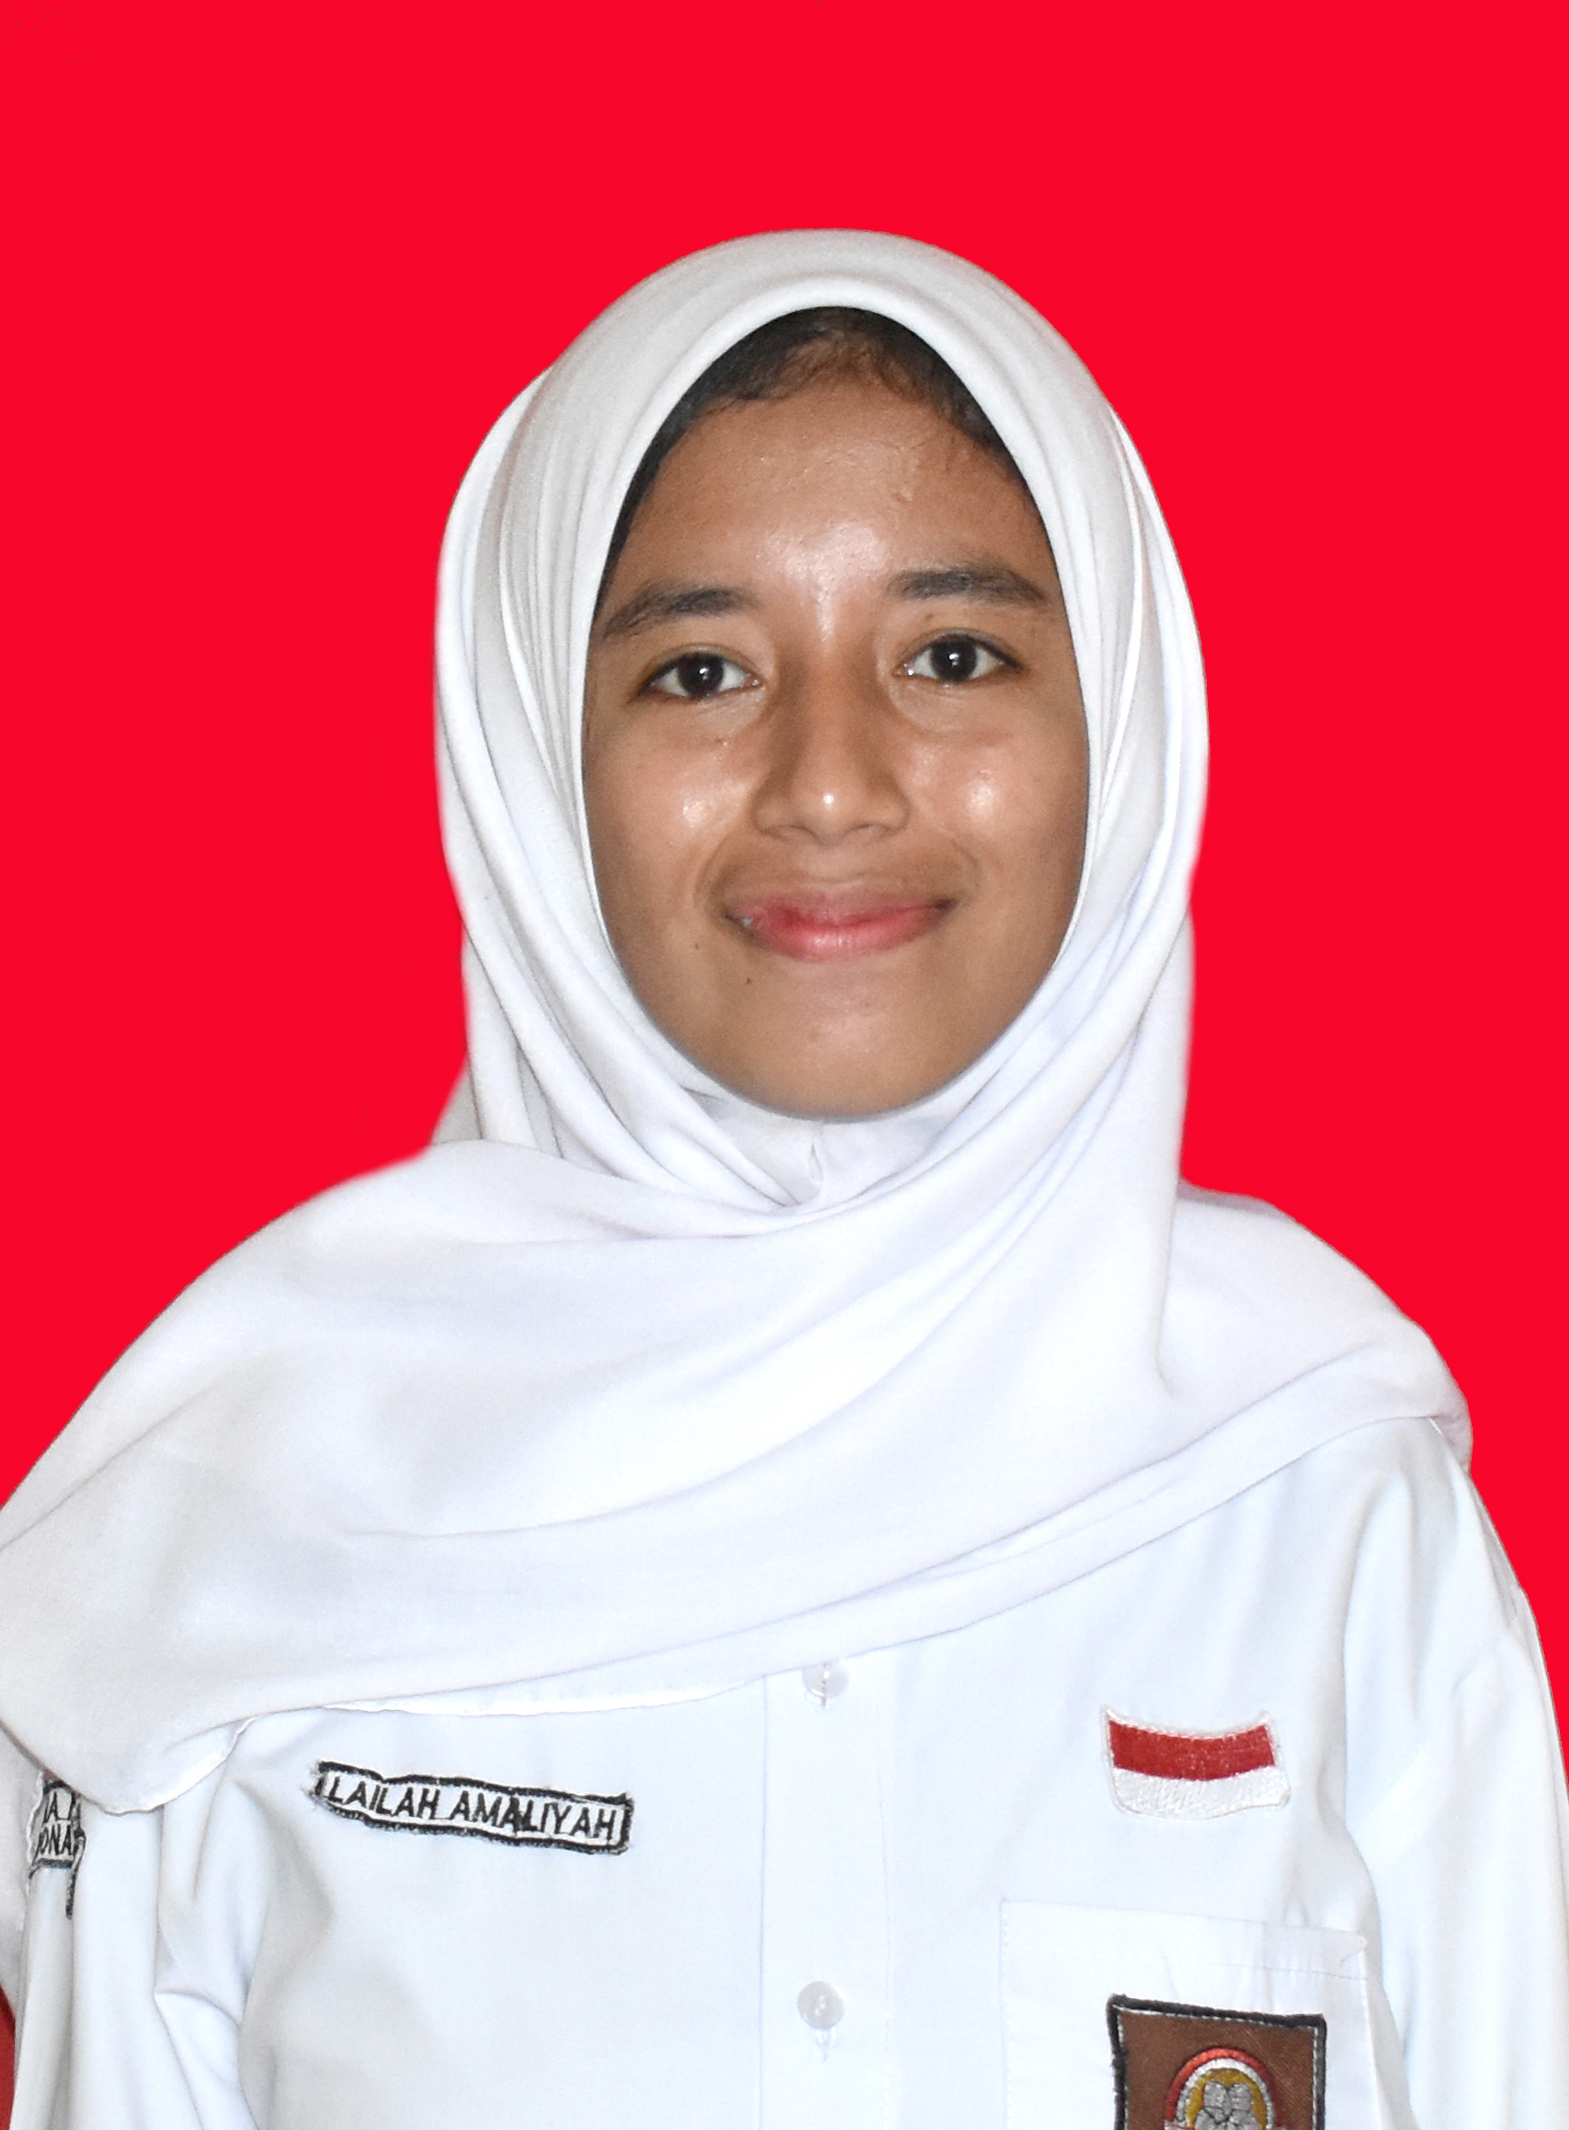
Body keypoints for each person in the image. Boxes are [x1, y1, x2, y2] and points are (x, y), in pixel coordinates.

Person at [0, 230, 1564, 2128]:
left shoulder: (1325, 1511)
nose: (829, 780)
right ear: (532, 754)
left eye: (952, 655)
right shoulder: (231, 1564)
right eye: (702, 670)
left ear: (1123, 725)